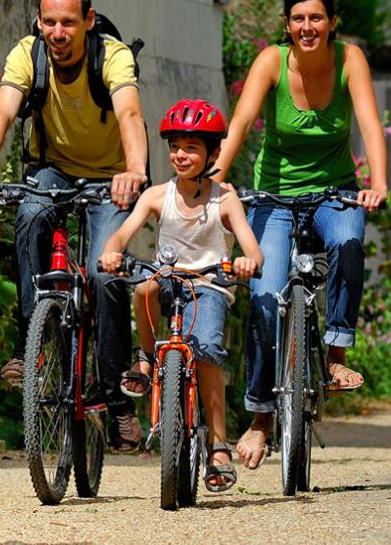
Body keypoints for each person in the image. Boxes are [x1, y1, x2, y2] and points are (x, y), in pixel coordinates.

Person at [211, 0, 389, 470]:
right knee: (266, 298)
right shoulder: (271, 60)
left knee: (350, 243)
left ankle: (336, 355)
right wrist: (214, 183)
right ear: (286, 24)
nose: (307, 27)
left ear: (332, 21)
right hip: (273, 198)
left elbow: (370, 125)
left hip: (335, 192)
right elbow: (241, 123)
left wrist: (377, 182)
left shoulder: (350, 59)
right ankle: (260, 419)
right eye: (297, 19)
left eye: (316, 18)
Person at [0, 0, 149, 451]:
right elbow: (1, 114)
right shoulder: (28, 55)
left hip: (112, 177)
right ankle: (31, 347)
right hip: (52, 170)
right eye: (49, 22)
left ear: (88, 21)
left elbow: (129, 115)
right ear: (39, 21)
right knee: (29, 214)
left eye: (68, 22)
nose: (58, 32)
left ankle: (117, 400)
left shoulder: (112, 56)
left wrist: (135, 171)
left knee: (104, 273)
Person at [99, 98, 263, 493]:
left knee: (205, 348)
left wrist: (246, 262)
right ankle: (145, 357)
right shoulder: (158, 195)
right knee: (143, 285)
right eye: (175, 146)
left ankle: (218, 444)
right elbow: (126, 230)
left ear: (212, 153)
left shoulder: (224, 198)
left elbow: (251, 248)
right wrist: (113, 247)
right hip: (169, 280)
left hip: (208, 286)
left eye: (192, 147)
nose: (181, 155)